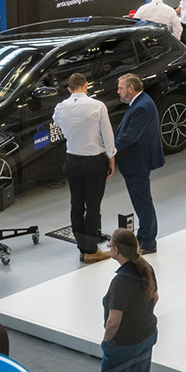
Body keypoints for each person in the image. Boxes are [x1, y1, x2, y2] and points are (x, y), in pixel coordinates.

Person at [53, 73, 116, 264]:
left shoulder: (61, 107)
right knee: (93, 205)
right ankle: (91, 250)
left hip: (72, 160)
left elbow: (57, 123)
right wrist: (111, 158)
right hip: (94, 161)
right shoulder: (97, 106)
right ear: (86, 85)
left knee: (76, 205)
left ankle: (82, 247)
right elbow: (107, 135)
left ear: (69, 89)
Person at [115, 73, 164, 255]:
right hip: (137, 161)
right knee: (141, 201)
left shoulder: (142, 107)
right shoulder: (140, 102)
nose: (118, 91)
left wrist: (110, 149)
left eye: (121, 88)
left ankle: (148, 241)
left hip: (138, 162)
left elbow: (130, 136)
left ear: (131, 88)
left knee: (143, 203)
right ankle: (144, 236)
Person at [102, 229, 158, 372]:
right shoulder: (146, 268)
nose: (109, 247)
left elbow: (114, 321)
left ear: (116, 250)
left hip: (124, 342)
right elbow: (155, 297)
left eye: (110, 245)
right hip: (147, 334)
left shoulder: (120, 282)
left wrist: (106, 341)